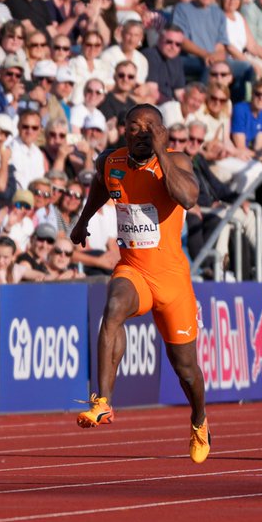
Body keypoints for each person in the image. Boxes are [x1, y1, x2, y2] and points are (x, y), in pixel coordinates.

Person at [70, 103, 210, 463]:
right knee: (113, 306)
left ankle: (199, 419)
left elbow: (190, 197)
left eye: (150, 127)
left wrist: (162, 152)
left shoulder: (175, 162)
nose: (142, 133)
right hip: (133, 269)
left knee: (186, 370)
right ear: (124, 130)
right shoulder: (110, 161)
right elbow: (103, 187)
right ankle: (103, 402)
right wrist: (84, 219)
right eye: (135, 126)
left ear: (161, 132)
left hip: (172, 281)